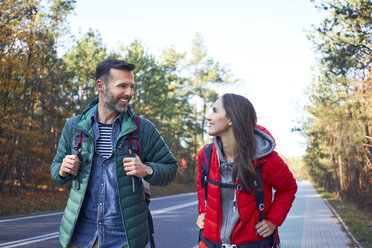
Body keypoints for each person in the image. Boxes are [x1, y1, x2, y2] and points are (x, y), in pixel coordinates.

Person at [51, 59, 178, 248]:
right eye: (122, 86)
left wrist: (146, 170)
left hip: (125, 240)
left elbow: (170, 167)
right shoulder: (74, 127)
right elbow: (56, 170)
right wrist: (63, 169)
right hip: (80, 238)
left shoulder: (142, 129)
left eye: (132, 87)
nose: (129, 93)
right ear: (101, 86)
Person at [196, 93, 297, 248]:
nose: (209, 117)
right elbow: (202, 186)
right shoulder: (206, 155)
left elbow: (288, 188)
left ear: (231, 119)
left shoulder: (267, 159)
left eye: (215, 111)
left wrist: (273, 221)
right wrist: (203, 212)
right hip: (209, 243)